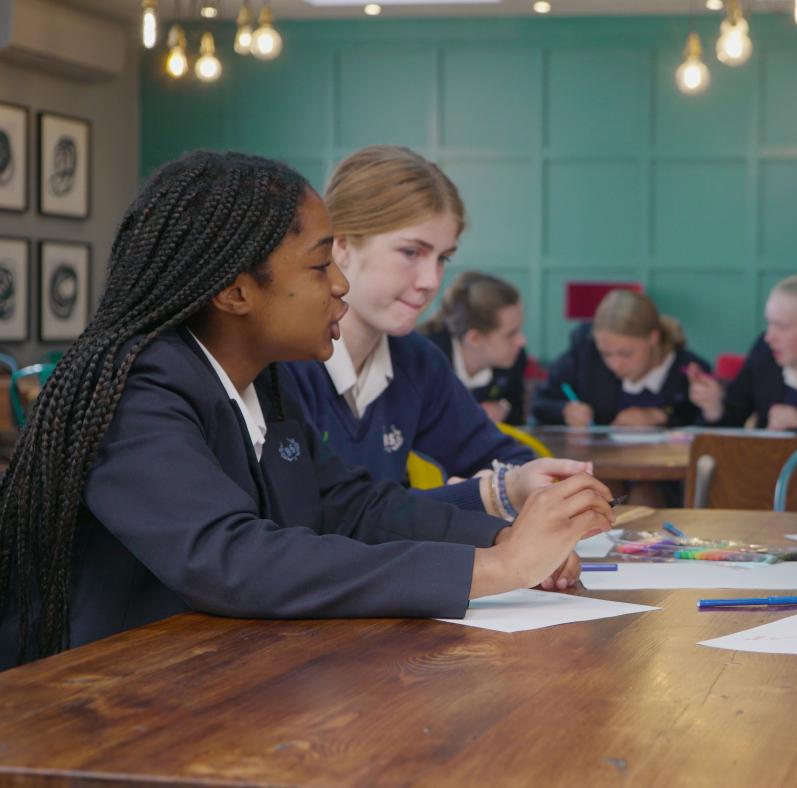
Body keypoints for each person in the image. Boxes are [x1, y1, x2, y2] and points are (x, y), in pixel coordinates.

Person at [0, 152, 612, 669]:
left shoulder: (262, 382)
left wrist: (505, 537)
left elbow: (350, 505)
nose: (339, 285)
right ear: (235, 291)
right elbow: (231, 559)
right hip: (102, 703)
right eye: (321, 266)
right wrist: (497, 566)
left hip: (215, 677)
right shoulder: (136, 389)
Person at [283, 146, 554, 515]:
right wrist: (486, 495)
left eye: (443, 258)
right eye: (411, 252)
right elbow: (317, 519)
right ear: (341, 245)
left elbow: (501, 458)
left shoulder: (416, 359)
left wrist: (542, 483)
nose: (431, 281)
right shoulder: (279, 363)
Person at [533, 289, 709, 428]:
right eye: (605, 353)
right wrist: (564, 411)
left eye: (626, 353)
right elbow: (540, 403)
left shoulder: (687, 370)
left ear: (653, 338)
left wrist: (662, 417)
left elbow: (702, 420)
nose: (614, 364)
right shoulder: (585, 351)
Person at [687, 274, 797, 431]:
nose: (769, 337)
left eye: (782, 327)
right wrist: (714, 406)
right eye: (769, 323)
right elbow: (734, 418)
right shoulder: (764, 351)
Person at [424, 271, 528, 426]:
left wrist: (504, 409)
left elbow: (517, 418)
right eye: (510, 334)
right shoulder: (424, 358)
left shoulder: (514, 359)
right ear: (474, 339)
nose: (522, 341)